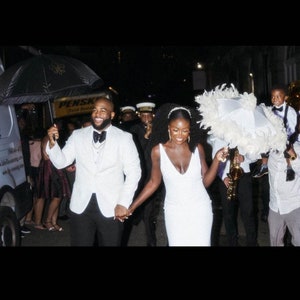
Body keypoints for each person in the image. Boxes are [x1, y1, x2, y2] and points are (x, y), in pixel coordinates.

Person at [118, 103, 228, 246]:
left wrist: (216, 161)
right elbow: (153, 182)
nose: (180, 135)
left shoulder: (197, 148)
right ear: (168, 129)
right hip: (174, 210)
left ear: (190, 130)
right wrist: (132, 207)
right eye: (176, 130)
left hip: (200, 208)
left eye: (185, 130)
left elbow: (205, 182)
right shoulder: (158, 151)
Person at [46, 95, 141, 246]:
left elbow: (134, 173)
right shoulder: (77, 135)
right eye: (95, 110)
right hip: (80, 205)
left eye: (103, 110)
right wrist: (52, 144)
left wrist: (123, 203)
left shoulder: (124, 138)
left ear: (112, 115)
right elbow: (61, 162)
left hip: (112, 206)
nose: (97, 114)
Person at [121, 101, 161, 247]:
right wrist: (145, 137)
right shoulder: (134, 129)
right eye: (143, 115)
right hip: (138, 175)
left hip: (154, 175)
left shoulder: (160, 129)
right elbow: (137, 152)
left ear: (153, 115)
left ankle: (151, 242)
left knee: (149, 212)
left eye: (148, 115)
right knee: (132, 206)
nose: (146, 118)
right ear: (139, 115)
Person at [253, 85, 299, 181]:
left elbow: (293, 126)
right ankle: (264, 165)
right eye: (273, 96)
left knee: (286, 147)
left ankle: (289, 167)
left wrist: (287, 138)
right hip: (274, 137)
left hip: (288, 135)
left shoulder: (289, 111)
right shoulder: (270, 110)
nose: (274, 99)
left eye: (278, 96)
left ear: (285, 98)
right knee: (263, 144)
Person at [268, 130, 300, 246]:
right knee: (275, 242)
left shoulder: (298, 147)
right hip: (275, 206)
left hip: (294, 205)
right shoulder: (269, 147)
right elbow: (252, 155)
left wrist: (294, 157)